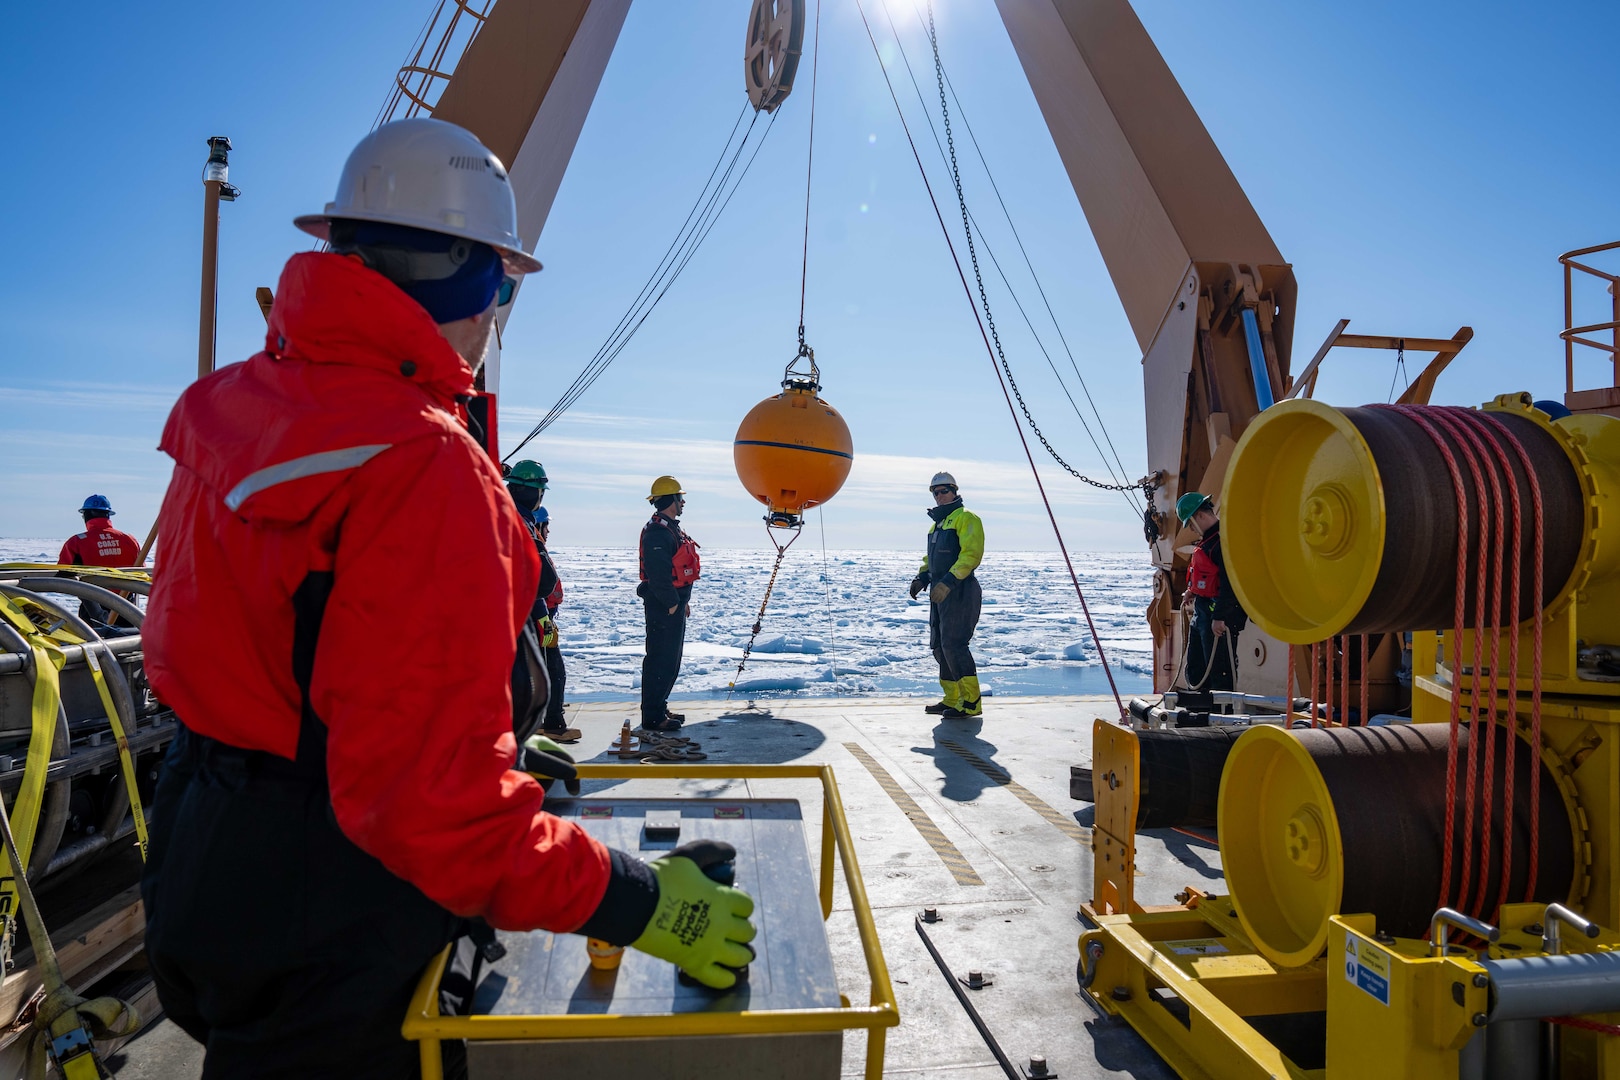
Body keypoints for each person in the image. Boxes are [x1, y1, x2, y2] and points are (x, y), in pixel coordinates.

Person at [140, 118, 754, 1079]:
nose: (499, 310)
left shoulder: (233, 406)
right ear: (469, 281)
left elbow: (262, 646)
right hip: (335, 904)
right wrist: (639, 900)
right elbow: (431, 812)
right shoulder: (422, 460)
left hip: (204, 853)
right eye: (504, 285)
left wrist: (494, 728)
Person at [504, 459, 576, 742]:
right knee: (545, 672)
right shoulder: (518, 524)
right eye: (540, 491)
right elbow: (538, 581)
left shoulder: (505, 516)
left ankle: (537, 724)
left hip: (523, 613)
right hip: (525, 616)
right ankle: (544, 725)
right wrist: (542, 616)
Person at [908, 472, 985, 718]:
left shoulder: (966, 518)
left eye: (944, 491)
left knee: (955, 645)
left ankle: (971, 702)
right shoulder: (937, 525)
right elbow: (930, 559)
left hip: (960, 590)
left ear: (954, 491)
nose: (939, 496)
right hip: (940, 593)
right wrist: (922, 577)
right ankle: (952, 699)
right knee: (940, 646)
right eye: (935, 492)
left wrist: (949, 582)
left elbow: (971, 555)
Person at [637, 476, 699, 733]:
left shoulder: (670, 528)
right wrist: (672, 603)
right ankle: (653, 717)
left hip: (673, 604)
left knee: (670, 660)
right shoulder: (658, 533)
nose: (683, 502)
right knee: (660, 660)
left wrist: (682, 602)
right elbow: (658, 574)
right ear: (671, 500)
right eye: (680, 498)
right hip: (663, 605)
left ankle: (659, 707)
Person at [1177, 492, 1247, 693]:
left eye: (1190, 524)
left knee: (1219, 672)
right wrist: (1193, 591)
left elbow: (1230, 583)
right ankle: (1198, 707)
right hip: (1203, 612)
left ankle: (1221, 710)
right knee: (1196, 669)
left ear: (1199, 515)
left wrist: (1220, 617)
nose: (1191, 529)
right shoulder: (1207, 542)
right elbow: (1208, 576)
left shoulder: (1223, 542)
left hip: (1219, 617)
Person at [59, 495, 141, 622]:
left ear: (87, 515)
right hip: (128, 609)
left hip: (94, 611)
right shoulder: (129, 540)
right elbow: (140, 572)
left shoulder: (77, 542)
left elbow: (62, 577)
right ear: (108, 515)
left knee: (92, 634)